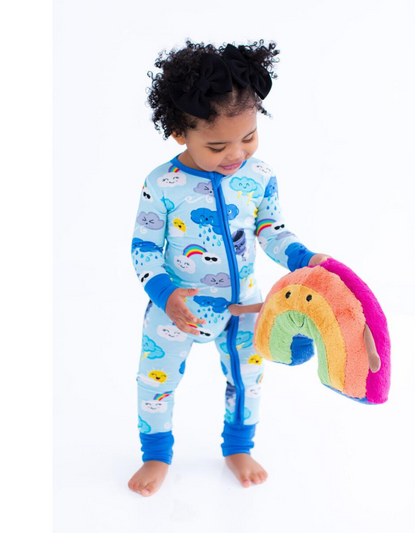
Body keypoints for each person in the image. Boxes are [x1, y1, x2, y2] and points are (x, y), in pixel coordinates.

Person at [128, 39, 331, 497]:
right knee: (155, 383)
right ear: (179, 132)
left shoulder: (259, 176)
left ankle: (238, 447)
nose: (236, 154)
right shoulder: (162, 184)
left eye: (249, 137)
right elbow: (143, 247)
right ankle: (156, 454)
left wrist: (302, 257)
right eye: (217, 145)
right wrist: (164, 294)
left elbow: (271, 230)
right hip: (175, 310)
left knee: (248, 380)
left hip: (244, 308)